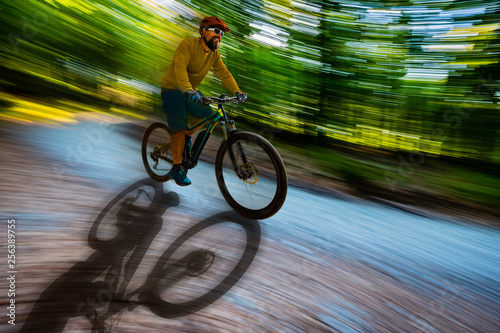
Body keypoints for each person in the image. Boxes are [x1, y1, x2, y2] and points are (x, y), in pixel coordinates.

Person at [161, 16, 247, 186]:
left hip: (191, 90)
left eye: (221, 33)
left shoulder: (214, 54)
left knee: (208, 115)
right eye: (216, 31)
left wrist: (237, 91)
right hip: (172, 88)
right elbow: (180, 68)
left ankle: (187, 135)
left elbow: (224, 73)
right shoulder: (186, 45)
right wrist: (187, 89)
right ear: (203, 31)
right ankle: (176, 168)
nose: (219, 35)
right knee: (178, 125)